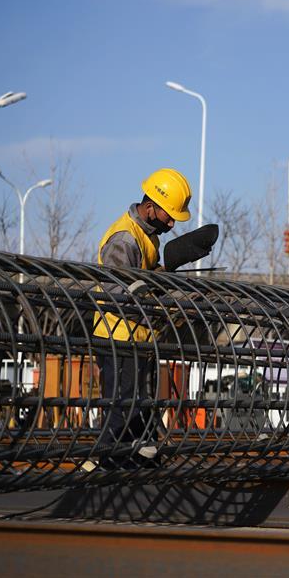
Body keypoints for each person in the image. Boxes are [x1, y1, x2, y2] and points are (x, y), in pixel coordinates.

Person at [93, 168, 192, 469]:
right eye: (169, 215)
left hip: (139, 337)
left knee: (139, 403)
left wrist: (166, 273)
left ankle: (137, 458)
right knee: (122, 405)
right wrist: (163, 310)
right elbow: (119, 293)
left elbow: (142, 283)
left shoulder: (148, 237)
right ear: (150, 208)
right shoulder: (125, 239)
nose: (172, 222)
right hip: (118, 336)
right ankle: (111, 462)